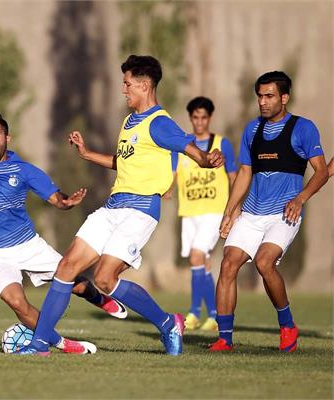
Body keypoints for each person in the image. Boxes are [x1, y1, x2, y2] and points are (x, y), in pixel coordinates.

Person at [17, 55, 224, 356]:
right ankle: (39, 345)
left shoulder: (160, 122)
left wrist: (207, 161)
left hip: (140, 211)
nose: (123, 89)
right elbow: (124, 161)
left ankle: (167, 323)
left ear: (143, 85)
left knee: (104, 278)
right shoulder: (130, 121)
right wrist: (88, 154)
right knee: (66, 267)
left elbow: (191, 150)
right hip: (113, 207)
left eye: (127, 84)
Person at [0, 107, 128, 354]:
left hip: (28, 246)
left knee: (74, 283)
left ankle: (99, 298)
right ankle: (61, 344)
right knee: (17, 303)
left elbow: (55, 199)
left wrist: (67, 202)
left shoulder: (25, 171)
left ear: (7, 138)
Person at [210, 71, 329, 352]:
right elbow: (245, 172)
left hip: (284, 213)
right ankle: (224, 339)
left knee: (265, 263)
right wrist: (230, 210)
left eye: (269, 96)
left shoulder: (304, 128)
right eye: (260, 96)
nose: (263, 102)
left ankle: (287, 325)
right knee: (227, 264)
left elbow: (322, 172)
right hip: (252, 213)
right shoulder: (252, 130)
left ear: (284, 98)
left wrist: (300, 199)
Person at [169, 97, 237, 331]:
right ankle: (215, 315)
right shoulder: (183, 146)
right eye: (195, 117)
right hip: (189, 212)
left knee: (197, 256)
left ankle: (194, 313)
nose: (199, 122)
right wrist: (163, 191)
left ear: (209, 118)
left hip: (213, 211)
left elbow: (233, 177)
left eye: (204, 117)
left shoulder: (221, 143)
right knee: (201, 263)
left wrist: (233, 208)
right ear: (191, 118)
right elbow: (172, 176)